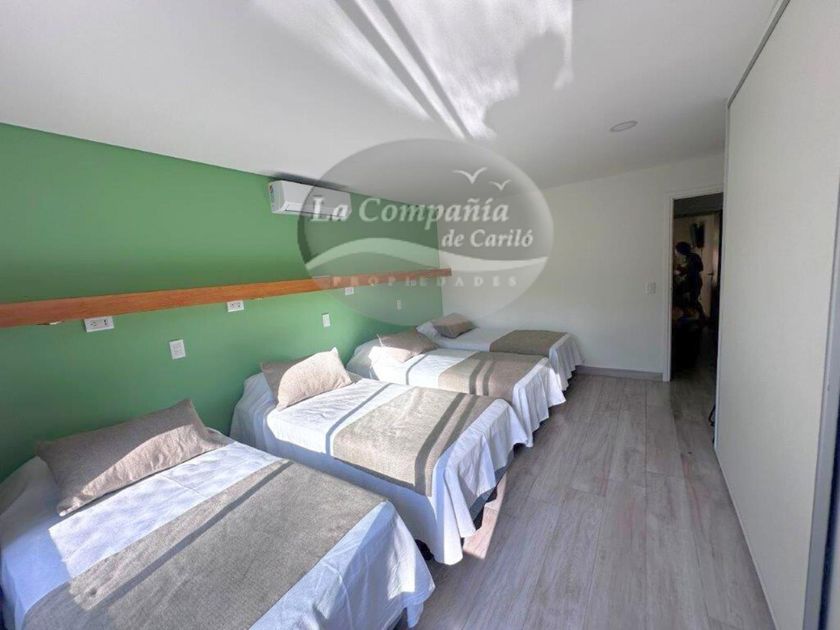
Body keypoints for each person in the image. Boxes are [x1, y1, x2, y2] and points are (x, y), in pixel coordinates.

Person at [674, 241, 704, 315]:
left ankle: (701, 318)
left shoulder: (693, 257)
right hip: (692, 282)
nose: (675, 252)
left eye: (676, 250)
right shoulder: (688, 258)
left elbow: (697, 268)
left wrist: (681, 271)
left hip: (695, 282)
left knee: (693, 302)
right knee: (690, 301)